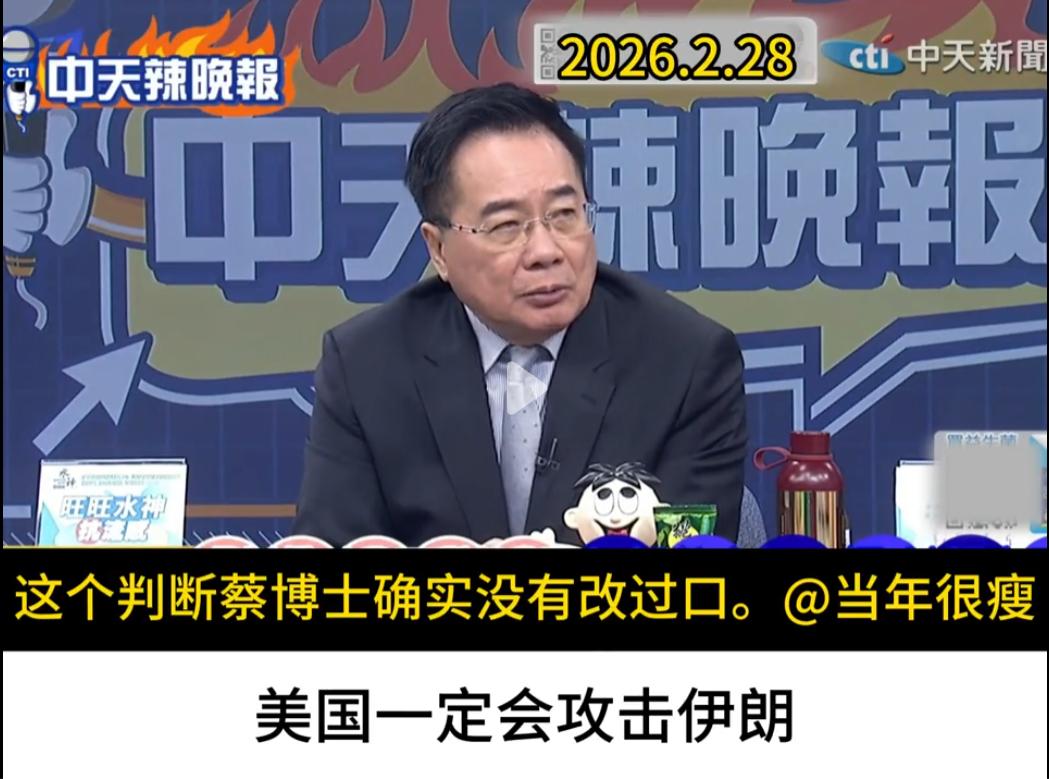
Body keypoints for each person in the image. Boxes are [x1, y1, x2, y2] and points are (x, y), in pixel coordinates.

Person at [294, 82, 747, 546]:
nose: (545, 251)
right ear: (439, 249)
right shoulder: (366, 366)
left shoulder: (685, 361)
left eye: (564, 214)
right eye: (506, 225)